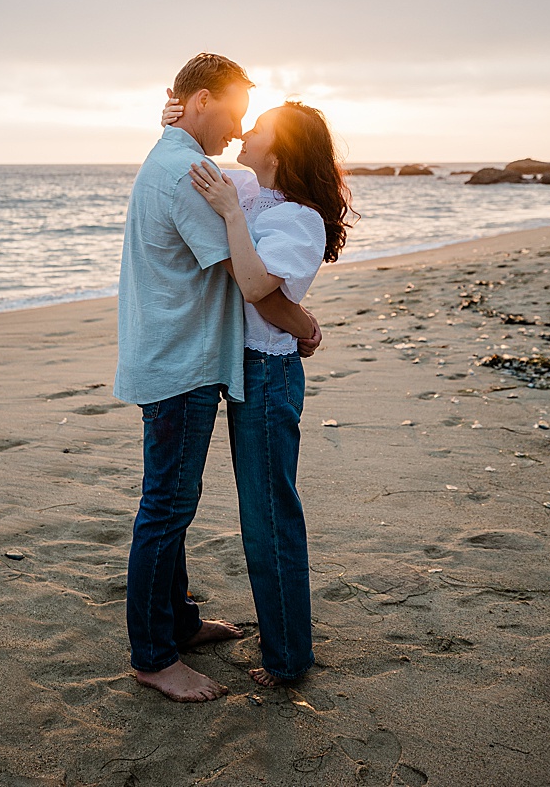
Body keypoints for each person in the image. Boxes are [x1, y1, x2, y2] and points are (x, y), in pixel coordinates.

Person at [114, 53, 320, 703]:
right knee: (167, 510)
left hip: (175, 359)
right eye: (232, 111)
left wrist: (171, 119)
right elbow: (247, 276)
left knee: (170, 505)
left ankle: (175, 622)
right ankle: (154, 655)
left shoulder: (176, 158)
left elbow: (251, 220)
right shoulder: (185, 173)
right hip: (182, 366)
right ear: (201, 101)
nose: (237, 129)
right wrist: (306, 325)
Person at [168, 97, 352, 687]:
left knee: (268, 515)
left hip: (269, 376)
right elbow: (191, 156)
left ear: (281, 148)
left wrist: (230, 216)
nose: (244, 133)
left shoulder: (301, 219)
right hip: (234, 364)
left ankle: (289, 658)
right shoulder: (248, 188)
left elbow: (253, 285)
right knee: (250, 510)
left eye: (258, 127)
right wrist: (173, 117)